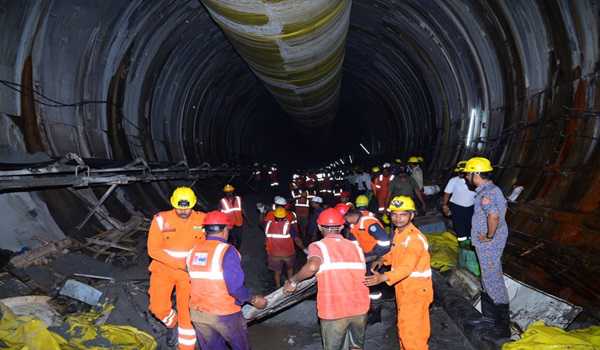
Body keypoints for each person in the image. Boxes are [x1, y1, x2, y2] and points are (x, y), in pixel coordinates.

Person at [283, 208, 370, 350]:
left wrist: (293, 281)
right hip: (360, 307)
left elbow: (312, 267)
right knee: (356, 347)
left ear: (319, 227)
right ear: (342, 226)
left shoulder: (318, 246)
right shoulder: (356, 247)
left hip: (334, 310)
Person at [187, 211, 267, 350]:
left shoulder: (193, 251)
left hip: (198, 313)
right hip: (224, 313)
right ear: (225, 230)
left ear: (205, 230)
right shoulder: (227, 251)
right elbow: (235, 287)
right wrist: (254, 300)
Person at [365, 196, 433, 350]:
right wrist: (383, 259)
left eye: (403, 214)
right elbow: (396, 253)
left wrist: (383, 277)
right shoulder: (399, 233)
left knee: (412, 335)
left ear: (412, 215)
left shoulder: (414, 239)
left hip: (415, 292)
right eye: (394, 214)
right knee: (404, 331)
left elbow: (407, 267)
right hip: (404, 290)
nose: (398, 218)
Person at [147, 187, 205, 349]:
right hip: (163, 270)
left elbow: (211, 244)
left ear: (193, 204)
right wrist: (181, 265)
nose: (184, 211)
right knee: (157, 308)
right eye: (180, 208)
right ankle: (173, 323)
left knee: (187, 313)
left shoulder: (202, 220)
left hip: (189, 275)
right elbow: (153, 250)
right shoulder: (160, 220)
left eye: (187, 208)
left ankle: (186, 346)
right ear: (173, 203)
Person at [463, 157, 510, 338]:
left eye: (468, 173)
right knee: (487, 279)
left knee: (493, 280)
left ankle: (501, 327)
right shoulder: (491, 189)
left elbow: (494, 216)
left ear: (476, 173)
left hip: (489, 243)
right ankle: (489, 319)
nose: (466, 176)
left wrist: (489, 236)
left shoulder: (487, 194)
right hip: (487, 243)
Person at [263, 207, 306, 288]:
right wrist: (304, 249)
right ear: (284, 216)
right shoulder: (288, 226)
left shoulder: (268, 226)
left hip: (274, 254)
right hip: (288, 254)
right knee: (289, 269)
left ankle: (278, 287)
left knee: (277, 272)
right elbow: (296, 240)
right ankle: (290, 285)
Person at [442, 161, 475, 244]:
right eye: (459, 172)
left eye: (462, 172)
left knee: (470, 226)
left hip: (471, 208)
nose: (460, 174)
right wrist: (445, 205)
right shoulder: (454, 180)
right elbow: (447, 193)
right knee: (459, 227)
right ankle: (463, 245)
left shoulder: (474, 181)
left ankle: (470, 244)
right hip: (456, 207)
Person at [219, 184, 244, 250]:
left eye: (230, 191)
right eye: (227, 192)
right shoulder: (222, 201)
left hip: (239, 224)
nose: (229, 193)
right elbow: (220, 213)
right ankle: (231, 251)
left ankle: (237, 251)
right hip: (229, 226)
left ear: (233, 191)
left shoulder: (238, 199)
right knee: (230, 241)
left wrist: (248, 220)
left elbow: (242, 209)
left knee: (239, 240)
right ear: (225, 193)